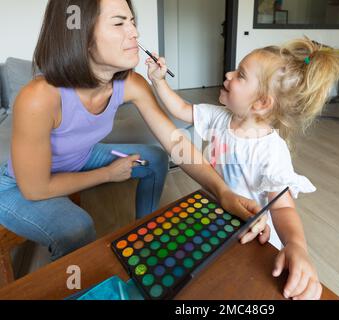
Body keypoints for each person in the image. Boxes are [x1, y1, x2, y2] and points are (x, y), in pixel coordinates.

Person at [0, 0, 265, 262]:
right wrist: (106, 174)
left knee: (156, 157)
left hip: (80, 157)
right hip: (17, 188)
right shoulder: (38, 97)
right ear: (80, 37)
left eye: (132, 22)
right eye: (118, 23)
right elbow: (35, 189)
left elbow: (176, 144)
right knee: (77, 228)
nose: (135, 32)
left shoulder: (131, 83)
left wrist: (223, 192)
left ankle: (142, 234)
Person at [146, 38, 339, 300]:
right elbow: (180, 109)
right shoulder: (220, 116)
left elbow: (282, 207)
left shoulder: (271, 151)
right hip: (216, 216)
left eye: (240, 75)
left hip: (252, 234)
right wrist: (158, 80)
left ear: (261, 103)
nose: (228, 74)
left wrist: (296, 245)